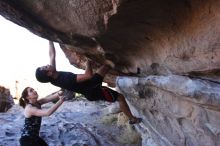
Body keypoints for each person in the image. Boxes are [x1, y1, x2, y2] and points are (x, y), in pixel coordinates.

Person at [35, 41, 141, 124]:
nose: (47, 64)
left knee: (106, 67)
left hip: (91, 83)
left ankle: (129, 75)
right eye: (45, 67)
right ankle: (132, 119)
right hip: (94, 91)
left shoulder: (53, 76)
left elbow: (52, 55)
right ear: (48, 73)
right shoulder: (65, 79)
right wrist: (88, 62)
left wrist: (50, 40)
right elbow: (88, 75)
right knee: (120, 98)